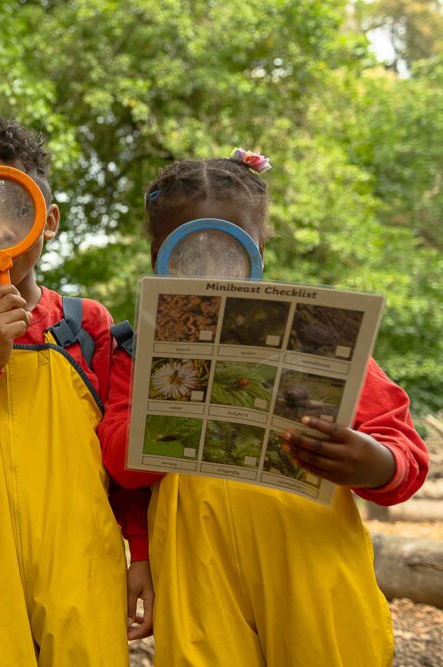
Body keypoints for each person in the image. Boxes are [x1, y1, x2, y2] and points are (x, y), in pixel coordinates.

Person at [106, 150, 430, 666]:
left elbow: (402, 454)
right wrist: (172, 401)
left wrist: (374, 462)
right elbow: (118, 464)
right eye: (192, 256)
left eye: (228, 253)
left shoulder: (318, 340)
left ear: (258, 255)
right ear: (158, 260)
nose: (212, 272)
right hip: (198, 567)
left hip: (309, 556)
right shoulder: (139, 353)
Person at [0, 116, 154, 665]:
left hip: (82, 566)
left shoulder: (85, 326)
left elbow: (120, 461)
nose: (0, 236)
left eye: (16, 213)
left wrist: (139, 551)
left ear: (48, 222)